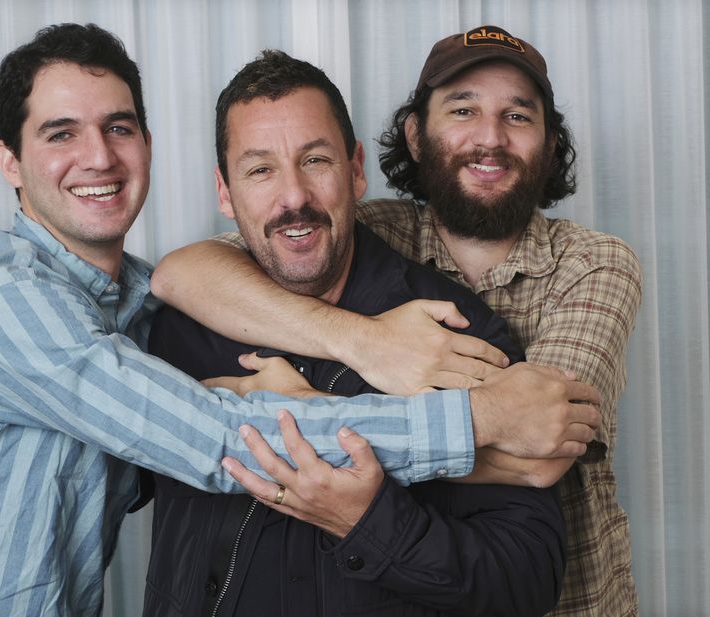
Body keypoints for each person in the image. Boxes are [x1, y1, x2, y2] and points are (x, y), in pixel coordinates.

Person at [0, 23, 602, 617]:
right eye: (60, 133)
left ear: (355, 171)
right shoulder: (21, 310)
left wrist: (377, 517)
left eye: (118, 127)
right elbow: (210, 436)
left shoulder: (453, 338)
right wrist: (480, 424)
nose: (98, 157)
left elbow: (524, 578)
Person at [151, 25, 642, 617]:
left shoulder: (585, 270)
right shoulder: (359, 229)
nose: (490, 137)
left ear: (353, 172)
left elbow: (540, 448)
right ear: (415, 134)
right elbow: (183, 272)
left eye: (517, 116)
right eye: (463, 110)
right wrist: (368, 342)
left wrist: (304, 418)